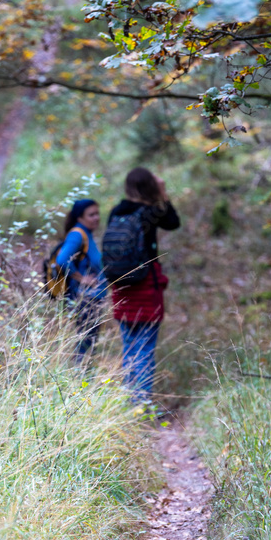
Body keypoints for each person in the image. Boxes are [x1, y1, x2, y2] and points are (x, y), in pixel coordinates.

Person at [107, 167, 180, 400]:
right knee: (146, 347)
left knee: (129, 346)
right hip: (146, 287)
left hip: (121, 288)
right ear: (149, 187)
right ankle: (142, 405)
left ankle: (130, 401)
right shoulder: (149, 213)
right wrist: (163, 193)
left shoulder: (115, 212)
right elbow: (173, 222)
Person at [55, 198, 107, 361]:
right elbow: (61, 260)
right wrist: (82, 278)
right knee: (85, 343)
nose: (96, 218)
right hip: (85, 298)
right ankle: (81, 378)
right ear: (80, 217)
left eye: (97, 214)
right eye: (91, 215)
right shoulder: (78, 234)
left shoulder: (87, 234)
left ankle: (83, 378)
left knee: (88, 341)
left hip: (92, 298)